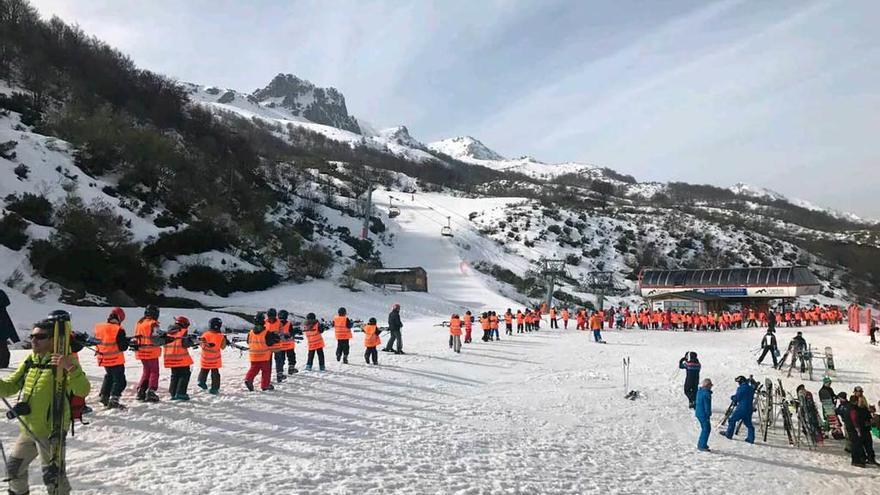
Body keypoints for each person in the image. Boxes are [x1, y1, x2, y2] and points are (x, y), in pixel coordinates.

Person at [0, 314, 91, 495]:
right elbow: (10, 386)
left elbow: (83, 390)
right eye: (32, 336)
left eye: (40, 337)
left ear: (53, 340)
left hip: (51, 431)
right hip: (28, 429)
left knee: (53, 478)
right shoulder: (30, 361)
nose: (34, 340)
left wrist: (70, 368)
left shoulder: (65, 362)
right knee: (13, 470)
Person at [94, 307, 129, 409]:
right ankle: (114, 399)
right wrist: (126, 341)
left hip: (103, 358)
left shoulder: (99, 327)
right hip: (115, 359)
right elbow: (123, 347)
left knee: (109, 376)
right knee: (120, 380)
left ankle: (104, 396)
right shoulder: (119, 329)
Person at [134, 304, 162, 402]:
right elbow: (156, 339)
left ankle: (141, 390)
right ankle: (151, 391)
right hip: (151, 351)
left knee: (146, 371)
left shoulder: (140, 322)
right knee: (154, 371)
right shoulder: (154, 324)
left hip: (141, 351)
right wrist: (165, 339)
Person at [245, 313, 278, 391]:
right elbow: (270, 343)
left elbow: (248, 342)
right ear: (263, 321)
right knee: (266, 371)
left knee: (254, 369)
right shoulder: (266, 332)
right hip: (264, 356)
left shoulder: (250, 333)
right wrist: (275, 338)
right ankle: (265, 386)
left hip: (253, 355)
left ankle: (248, 379)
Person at [164, 316, 194, 401]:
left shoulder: (168, 332)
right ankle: (181, 393)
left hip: (170, 358)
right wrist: (191, 341)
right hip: (181, 358)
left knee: (175, 375)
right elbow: (185, 344)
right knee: (184, 374)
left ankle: (173, 393)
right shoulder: (183, 332)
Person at [197, 317, 227, 395]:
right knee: (215, 374)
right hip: (215, 359)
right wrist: (225, 340)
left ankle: (201, 381)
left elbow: (201, 344)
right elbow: (223, 347)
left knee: (204, 370)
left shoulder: (205, 334)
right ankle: (214, 388)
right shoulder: (221, 336)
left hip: (205, 358)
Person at [724, 375, 756, 444]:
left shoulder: (741, 388)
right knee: (748, 423)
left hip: (741, 408)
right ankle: (751, 438)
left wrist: (733, 397)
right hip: (749, 408)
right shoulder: (750, 388)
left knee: (732, 420)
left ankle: (729, 434)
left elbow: (737, 398)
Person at [0, 289, 20, 368]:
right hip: (3, 321)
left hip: (2, 321)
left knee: (2, 345)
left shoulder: (1, 293)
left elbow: (6, 302)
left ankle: (3, 364)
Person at [275, 310, 298, 376]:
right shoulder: (288, 324)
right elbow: (291, 333)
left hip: (280, 345)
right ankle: (291, 369)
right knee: (291, 358)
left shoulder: (276, 324)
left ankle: (280, 371)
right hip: (289, 345)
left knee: (281, 360)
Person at [263, 308, 284, 382]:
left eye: (272, 317)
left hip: (276, 345)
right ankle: (267, 376)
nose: (271, 318)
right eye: (269, 317)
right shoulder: (264, 322)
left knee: (279, 361)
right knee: (268, 362)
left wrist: (277, 337)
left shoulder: (279, 323)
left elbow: (282, 333)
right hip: (268, 346)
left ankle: (279, 374)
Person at [695, 378, 713, 451]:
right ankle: (702, 445)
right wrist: (708, 414)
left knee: (704, 428)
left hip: (698, 412)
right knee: (706, 429)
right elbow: (707, 406)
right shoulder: (706, 394)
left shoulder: (700, 391)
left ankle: (702, 443)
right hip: (703, 414)